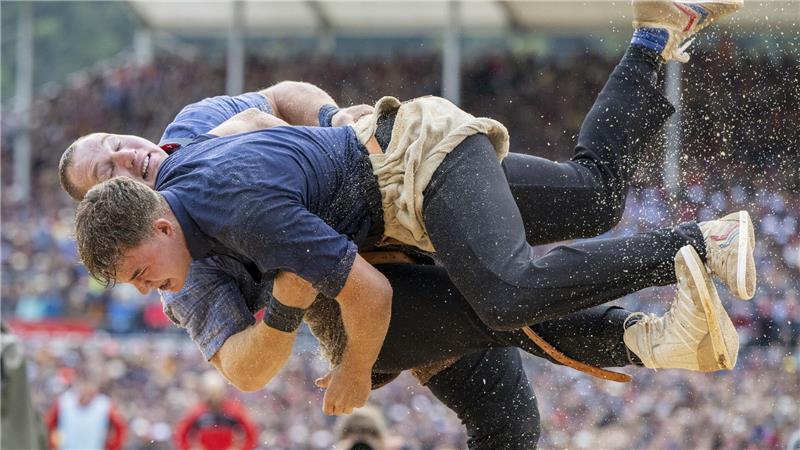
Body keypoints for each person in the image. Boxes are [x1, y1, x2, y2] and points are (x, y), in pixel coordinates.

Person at [72, 0, 750, 417]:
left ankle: (693, 253)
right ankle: (654, 36)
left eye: (110, 149)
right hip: (390, 221)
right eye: (102, 172)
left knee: (505, 296)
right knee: (591, 201)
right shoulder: (188, 238)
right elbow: (244, 367)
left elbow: (275, 104)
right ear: (106, 200)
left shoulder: (213, 170)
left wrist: (335, 123)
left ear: (152, 215)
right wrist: (287, 301)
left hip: (412, 175)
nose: (122, 157)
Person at [173, 371, 258, 450]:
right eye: (211, 391)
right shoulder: (197, 411)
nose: (214, 395)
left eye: (216, 391)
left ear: (222, 391)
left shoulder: (233, 409)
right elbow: (181, 432)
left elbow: (251, 430)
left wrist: (243, 448)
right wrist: (188, 447)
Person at [44, 378, 127, 450]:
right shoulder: (65, 402)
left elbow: (120, 428)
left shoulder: (103, 405)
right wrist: (53, 446)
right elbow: (48, 425)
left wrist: (112, 447)